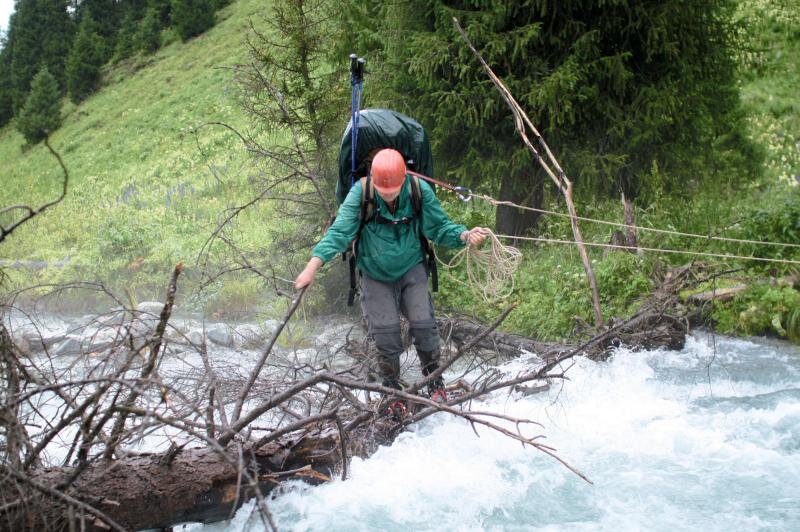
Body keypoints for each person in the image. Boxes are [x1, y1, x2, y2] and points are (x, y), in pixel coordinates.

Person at [294, 148, 489, 410]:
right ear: (373, 180)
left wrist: (464, 235)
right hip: (374, 273)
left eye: (393, 190)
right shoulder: (360, 193)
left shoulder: (419, 190)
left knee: (424, 325)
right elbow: (339, 232)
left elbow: (439, 227)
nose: (387, 194)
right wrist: (312, 266)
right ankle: (391, 394)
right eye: (382, 190)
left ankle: (435, 386)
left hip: (411, 267)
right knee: (386, 337)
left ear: (404, 179)